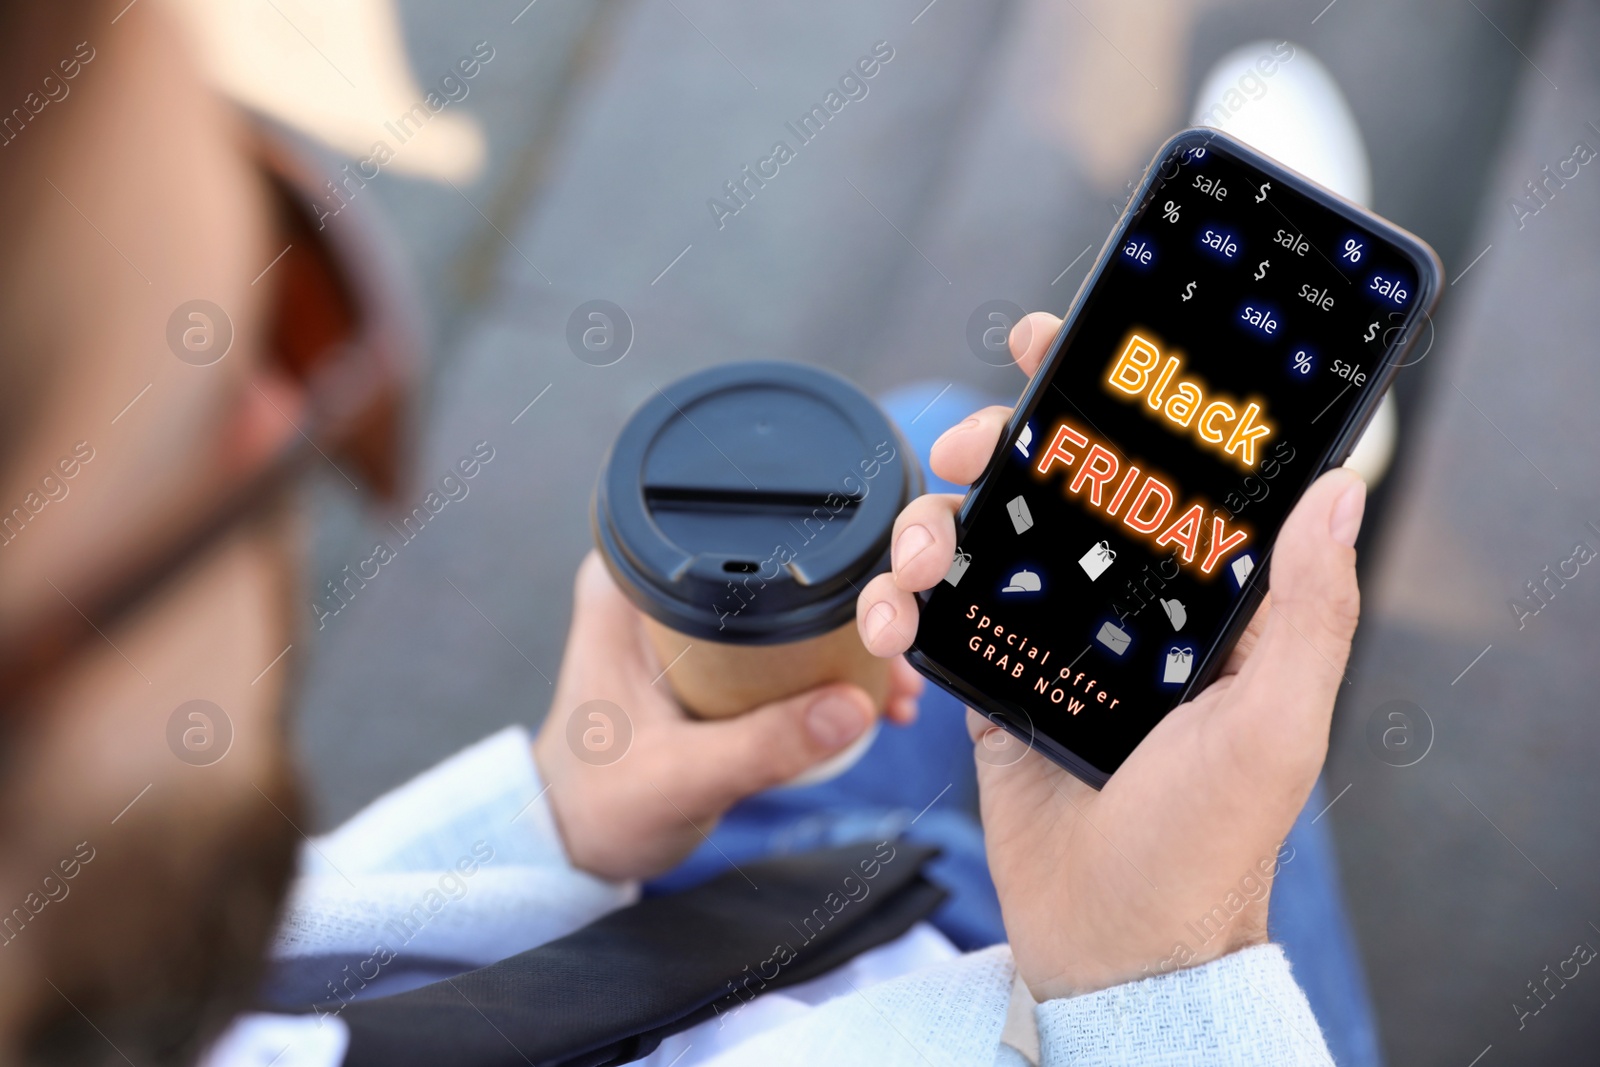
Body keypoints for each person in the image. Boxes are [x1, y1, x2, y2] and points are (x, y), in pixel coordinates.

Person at [0, 4, 1366, 1064]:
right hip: (1030, 991)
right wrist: (1167, 981)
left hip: (698, 937)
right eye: (293, 336)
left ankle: (1251, 431)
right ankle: (1283, 434)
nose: (274, 422)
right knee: (1166, 617)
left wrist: (554, 827)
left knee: (938, 457)